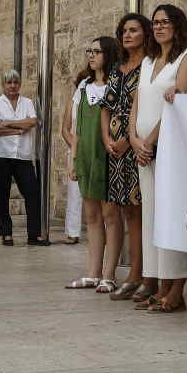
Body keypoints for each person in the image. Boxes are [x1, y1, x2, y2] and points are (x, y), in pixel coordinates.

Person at [130, 4, 187, 313]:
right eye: (155, 23)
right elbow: (137, 103)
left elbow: (179, 101)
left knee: (170, 213)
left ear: (177, 25)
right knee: (152, 215)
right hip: (143, 148)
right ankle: (157, 280)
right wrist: (134, 139)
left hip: (168, 145)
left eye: (165, 22)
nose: (159, 27)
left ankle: (176, 287)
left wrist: (150, 140)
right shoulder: (147, 61)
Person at [62, 36, 120, 290]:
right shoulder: (83, 86)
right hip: (86, 155)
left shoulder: (116, 84)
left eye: (96, 51)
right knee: (92, 215)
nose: (91, 55)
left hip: (108, 154)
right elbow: (76, 128)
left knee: (111, 215)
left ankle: (109, 274)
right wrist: (74, 160)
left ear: (108, 54)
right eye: (89, 50)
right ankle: (92, 272)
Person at [101, 13, 149, 301]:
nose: (128, 35)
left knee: (139, 211)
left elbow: (143, 108)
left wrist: (125, 141)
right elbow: (106, 106)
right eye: (124, 31)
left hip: (135, 146)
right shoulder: (118, 68)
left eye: (133, 30)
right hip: (114, 151)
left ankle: (139, 273)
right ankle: (134, 273)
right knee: (125, 210)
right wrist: (108, 139)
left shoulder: (148, 67)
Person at [0, 70, 47, 246]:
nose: (12, 86)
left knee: (32, 193)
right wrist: (18, 129)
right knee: (2, 194)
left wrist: (6, 122)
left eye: (15, 82)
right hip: (0, 155)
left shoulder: (27, 102)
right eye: (8, 82)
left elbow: (33, 122)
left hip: (23, 155)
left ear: (19, 84)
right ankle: (6, 233)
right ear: (3, 85)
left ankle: (33, 235)